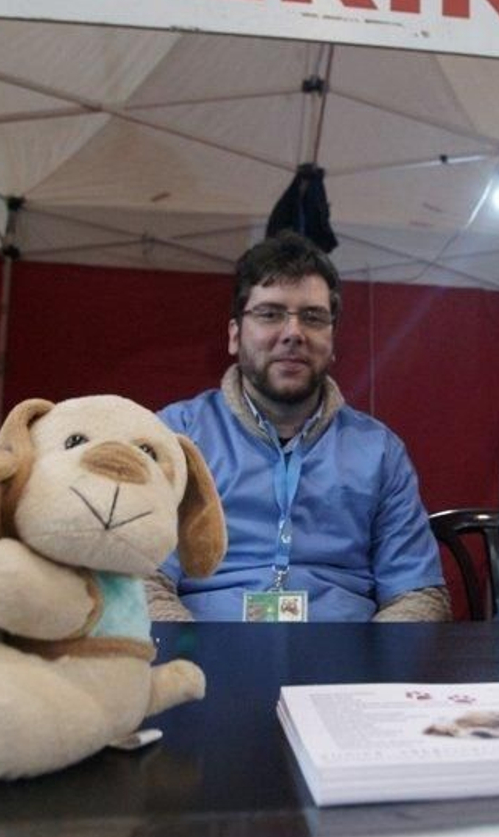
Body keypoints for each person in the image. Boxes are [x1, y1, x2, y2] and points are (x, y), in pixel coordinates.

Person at [147, 233, 449, 622]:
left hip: (346, 665)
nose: (293, 333)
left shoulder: (379, 451)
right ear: (235, 335)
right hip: (208, 657)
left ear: (333, 339)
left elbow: (418, 594)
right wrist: (195, 662)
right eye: (270, 314)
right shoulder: (175, 436)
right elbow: (141, 578)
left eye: (312, 317)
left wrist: (368, 674)